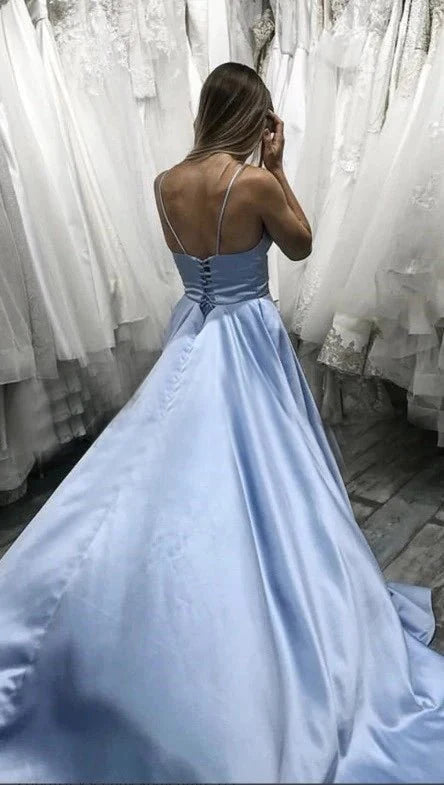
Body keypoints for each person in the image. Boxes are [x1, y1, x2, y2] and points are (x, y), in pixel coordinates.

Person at [0, 62, 443, 784]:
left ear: (205, 111)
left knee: (164, 466)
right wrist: (279, 166)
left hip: (193, 327)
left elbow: (192, 261)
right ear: (255, 117)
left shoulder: (164, 182)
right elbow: (300, 244)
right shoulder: (256, 182)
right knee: (270, 469)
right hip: (247, 335)